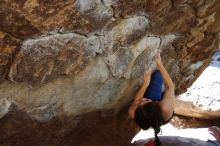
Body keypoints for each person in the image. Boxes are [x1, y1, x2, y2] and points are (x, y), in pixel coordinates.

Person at [128, 52, 175, 146]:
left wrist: (146, 83)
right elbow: (170, 86)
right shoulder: (165, 108)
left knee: (156, 77)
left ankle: (156, 93)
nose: (142, 99)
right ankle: (159, 94)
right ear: (155, 103)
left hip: (154, 111)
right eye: (145, 100)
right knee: (158, 75)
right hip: (160, 111)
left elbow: (137, 100)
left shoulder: (133, 112)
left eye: (140, 103)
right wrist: (159, 63)